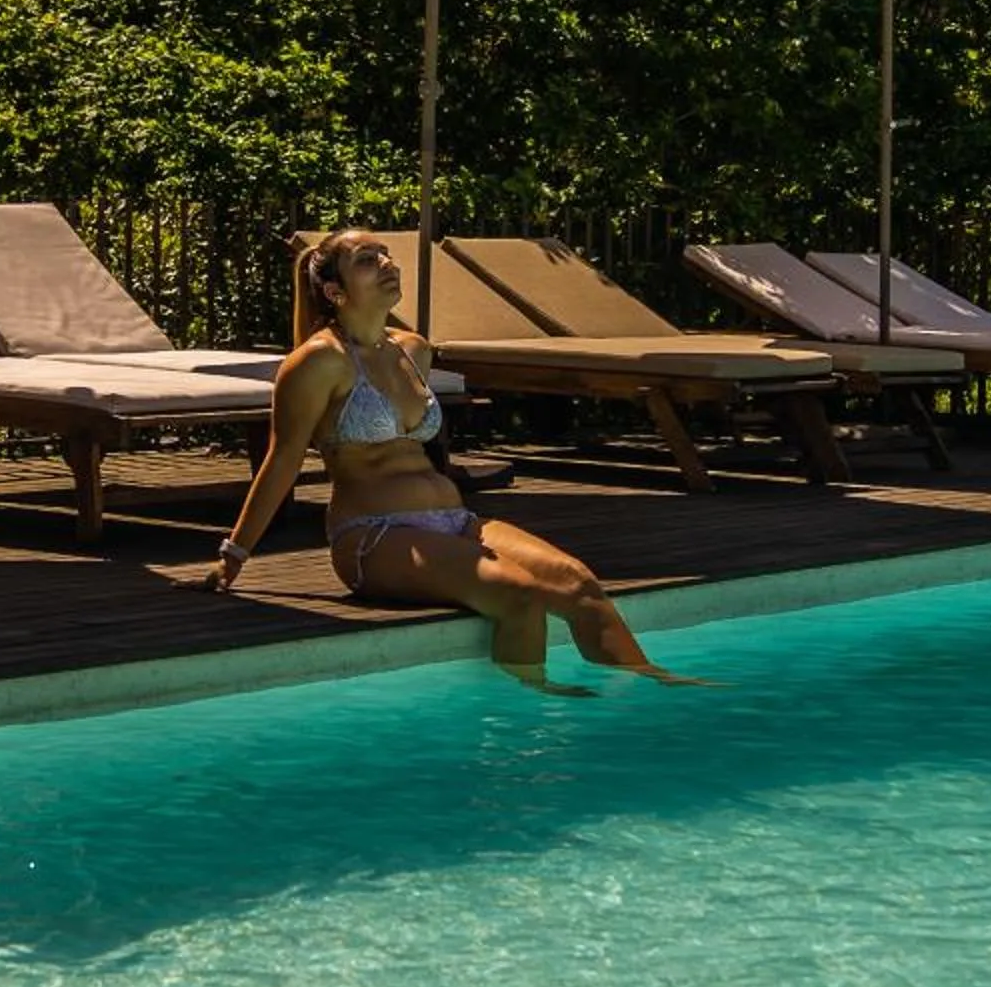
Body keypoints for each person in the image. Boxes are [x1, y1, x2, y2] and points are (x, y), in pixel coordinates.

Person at [203, 227, 688, 684]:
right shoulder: (318, 362)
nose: (387, 263)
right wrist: (233, 556)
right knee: (519, 596)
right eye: (367, 260)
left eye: (385, 254)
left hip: (454, 520)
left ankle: (651, 692)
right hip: (374, 536)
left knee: (579, 585)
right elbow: (283, 460)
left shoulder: (413, 351)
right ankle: (527, 722)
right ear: (335, 291)